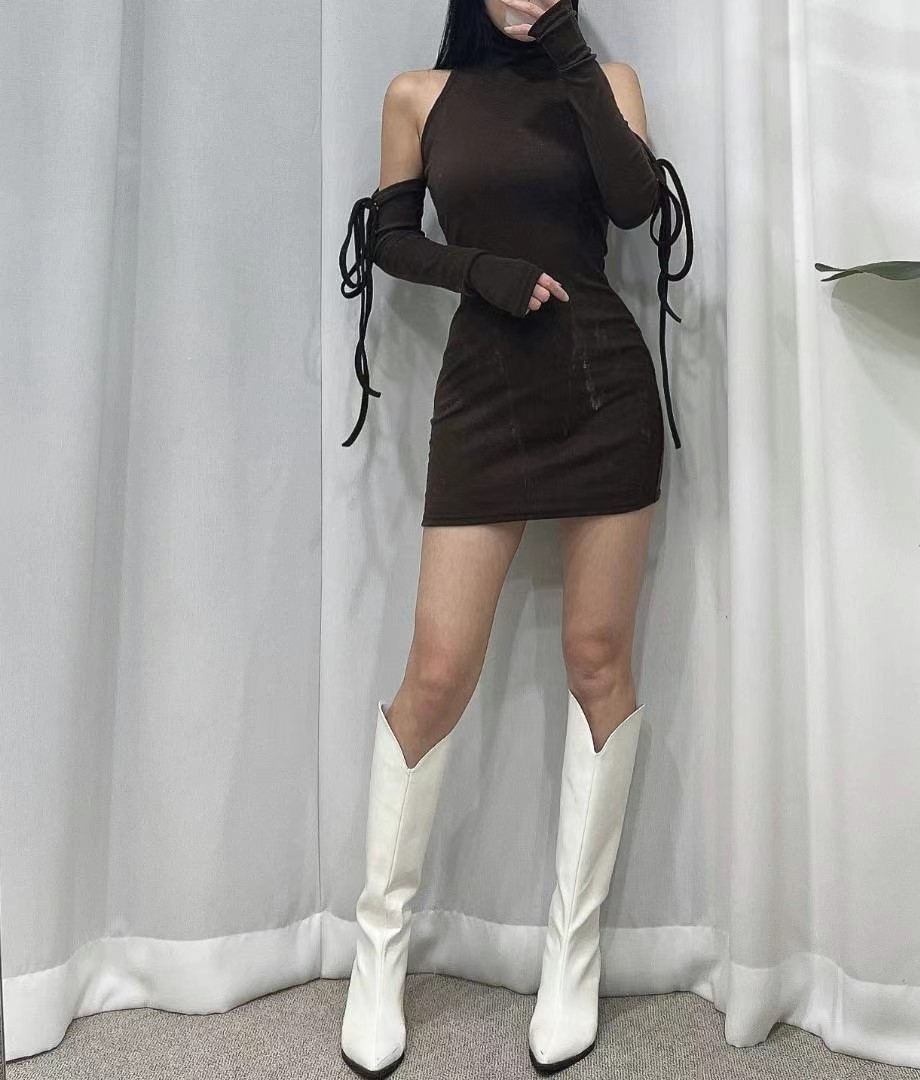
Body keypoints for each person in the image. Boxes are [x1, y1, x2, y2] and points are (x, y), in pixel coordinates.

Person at [336, 0, 693, 1075]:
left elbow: (633, 204)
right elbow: (389, 237)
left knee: (597, 659)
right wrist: (478, 270)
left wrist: (570, 46)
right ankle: (378, 955)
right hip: (484, 389)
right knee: (437, 672)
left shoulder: (607, 78)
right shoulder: (419, 95)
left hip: (602, 383)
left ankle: (570, 959)